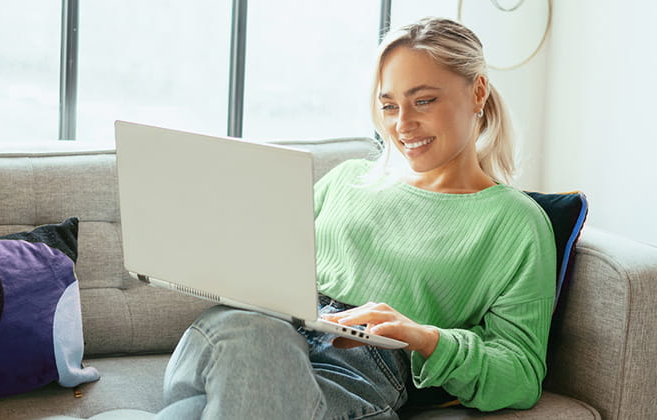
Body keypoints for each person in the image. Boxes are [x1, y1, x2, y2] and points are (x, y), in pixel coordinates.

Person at [155, 17, 556, 419]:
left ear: (478, 92)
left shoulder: (516, 222)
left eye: (423, 101)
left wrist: (426, 337)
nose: (402, 124)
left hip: (353, 372)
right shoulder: (347, 179)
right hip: (239, 339)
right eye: (388, 106)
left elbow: (520, 375)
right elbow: (266, 267)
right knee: (251, 332)